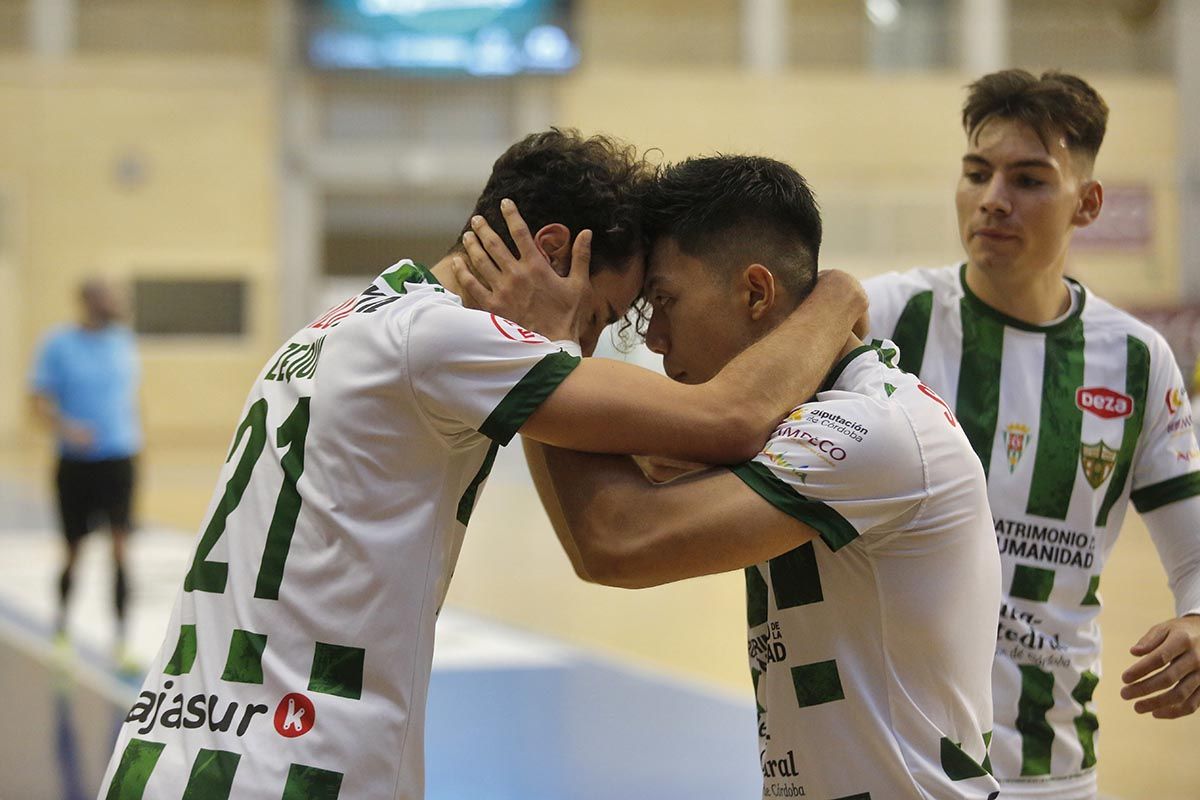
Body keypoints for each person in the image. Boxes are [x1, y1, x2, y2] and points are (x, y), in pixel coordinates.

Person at [96, 129, 865, 798]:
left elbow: (653, 453)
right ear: (553, 253)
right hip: (299, 766)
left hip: (169, 750)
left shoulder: (354, 321)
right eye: (594, 318)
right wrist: (837, 295)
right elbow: (728, 420)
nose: (588, 349)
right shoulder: (449, 342)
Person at [457, 154, 1003, 799]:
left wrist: (540, 350)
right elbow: (636, 467)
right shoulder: (796, 414)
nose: (654, 337)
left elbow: (616, 537)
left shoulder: (868, 429)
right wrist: (837, 295)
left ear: (755, 292)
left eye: (664, 301)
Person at [864, 69, 1200, 798]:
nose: (993, 199)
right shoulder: (885, 318)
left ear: (1088, 203)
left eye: (1029, 179)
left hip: (1050, 770)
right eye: (977, 173)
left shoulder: (1138, 360)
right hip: (894, 764)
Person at [30, 278, 141, 667]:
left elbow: (127, 400)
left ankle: (122, 639)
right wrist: (67, 427)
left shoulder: (124, 343)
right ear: (87, 302)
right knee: (74, 550)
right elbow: (36, 402)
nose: (114, 303)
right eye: (106, 297)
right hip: (76, 464)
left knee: (121, 548)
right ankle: (61, 630)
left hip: (119, 459)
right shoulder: (58, 344)